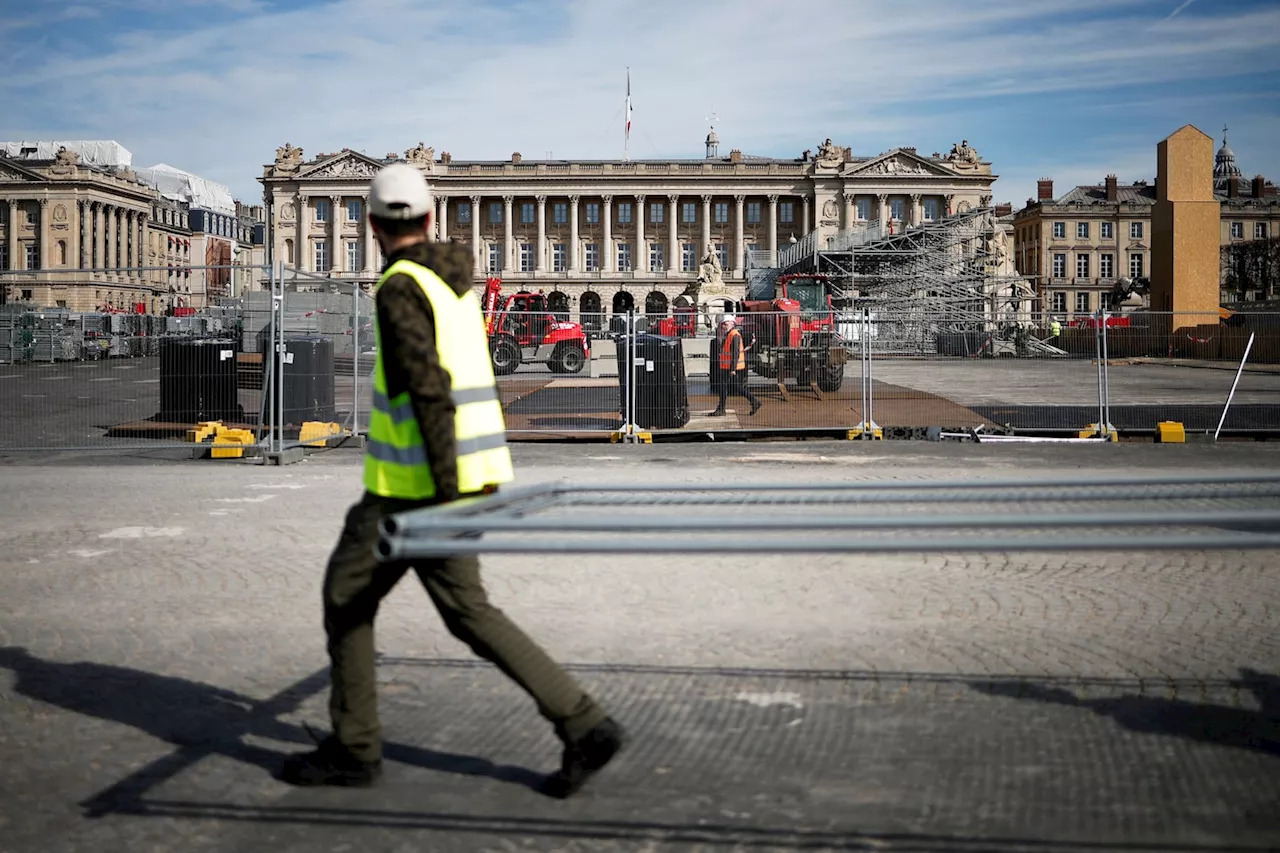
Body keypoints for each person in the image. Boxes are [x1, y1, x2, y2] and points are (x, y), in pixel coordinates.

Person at [279, 163, 624, 798]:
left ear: (375, 226)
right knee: (461, 610)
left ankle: (358, 748)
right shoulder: (455, 286)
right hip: (463, 471)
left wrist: (440, 489)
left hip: (416, 487)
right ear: (431, 217)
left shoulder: (402, 287)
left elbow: (429, 386)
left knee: (355, 598)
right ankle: (581, 721)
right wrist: (475, 474)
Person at [710, 316, 760, 417]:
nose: (724, 326)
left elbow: (735, 352)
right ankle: (754, 402)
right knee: (734, 387)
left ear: (732, 323)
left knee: (726, 387)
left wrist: (732, 369)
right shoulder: (730, 334)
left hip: (731, 368)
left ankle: (721, 409)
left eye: (726, 324)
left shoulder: (734, 335)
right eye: (723, 324)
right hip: (727, 367)